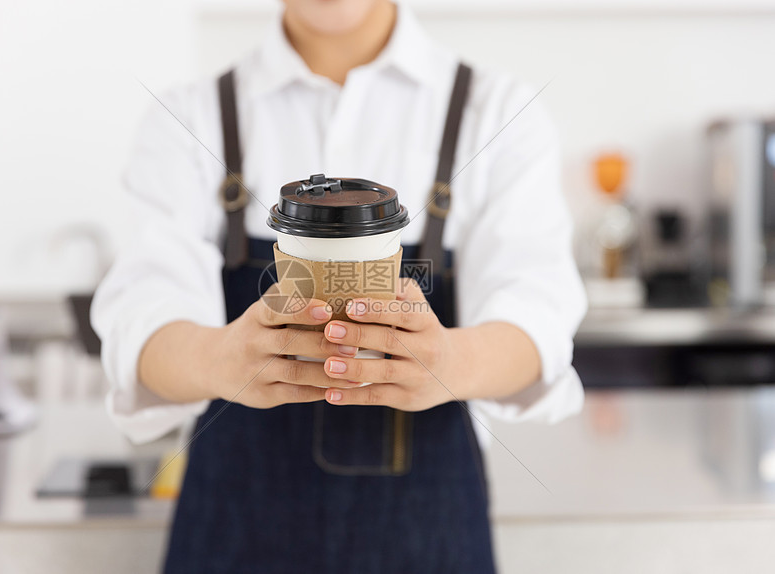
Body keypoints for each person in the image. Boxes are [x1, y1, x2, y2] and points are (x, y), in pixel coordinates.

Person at [92, 0, 587, 572]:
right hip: (234, 534)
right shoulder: (190, 116)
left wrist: (450, 359)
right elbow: (141, 315)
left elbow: (539, 318)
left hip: (426, 538)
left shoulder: (498, 110)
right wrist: (220, 357)